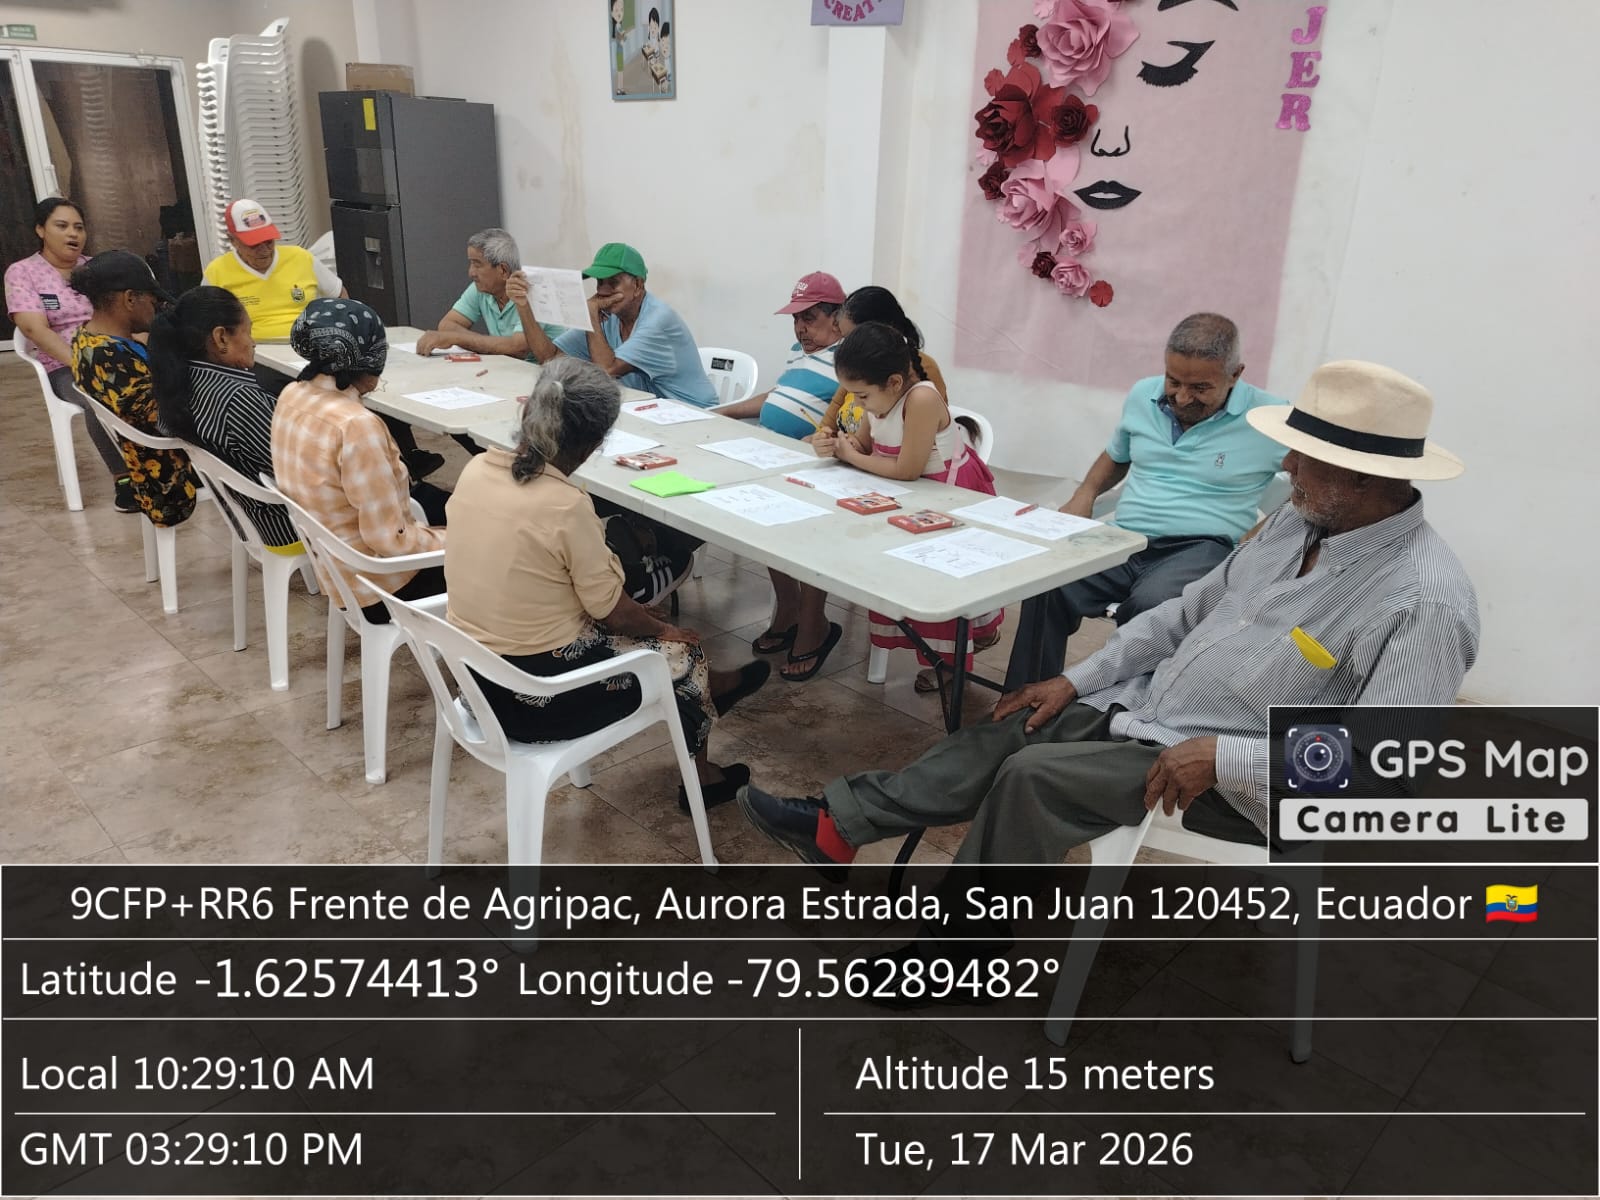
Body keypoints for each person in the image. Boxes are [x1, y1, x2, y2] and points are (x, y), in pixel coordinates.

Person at [738, 360, 1478, 998]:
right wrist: (1077, 679)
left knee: (1032, 779)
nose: (1285, 467)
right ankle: (838, 826)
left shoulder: (1424, 599)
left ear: (1363, 475)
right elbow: (1186, 612)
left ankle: (961, 956)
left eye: (1302, 457)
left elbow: (1384, 768)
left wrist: (1227, 757)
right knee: (1014, 723)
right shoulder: (1299, 523)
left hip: (1242, 781)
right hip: (1155, 713)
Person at [445, 356, 770, 810]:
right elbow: (612, 611)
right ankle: (704, 776)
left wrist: (641, 621)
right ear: (596, 442)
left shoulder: (479, 468)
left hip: (475, 679)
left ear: (528, 412)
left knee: (647, 633)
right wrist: (665, 631)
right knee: (684, 652)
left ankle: (712, 689)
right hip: (533, 702)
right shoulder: (564, 504)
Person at [1004, 313, 1289, 690]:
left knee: (1153, 607)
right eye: (1174, 381)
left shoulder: (1272, 418)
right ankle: (1025, 698)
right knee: (1047, 582)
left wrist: (1264, 530)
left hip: (1201, 546)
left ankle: (1117, 709)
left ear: (1235, 374)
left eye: (1200, 388)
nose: (1182, 397)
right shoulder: (1143, 394)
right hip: (1124, 537)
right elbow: (1117, 454)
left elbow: (1310, 481)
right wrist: (1084, 493)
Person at [810, 321, 1002, 682]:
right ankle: (944, 645)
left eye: (862, 396)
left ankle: (948, 665)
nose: (858, 404)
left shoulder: (921, 399)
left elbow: (907, 469)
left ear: (894, 382)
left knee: (936, 581)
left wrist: (851, 456)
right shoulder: (878, 399)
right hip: (908, 498)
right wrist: (835, 444)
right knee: (893, 567)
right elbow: (864, 446)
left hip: (948, 496)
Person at [204, 197, 442, 479]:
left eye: (268, 241)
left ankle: (405, 452)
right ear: (233, 241)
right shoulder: (218, 272)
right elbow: (208, 327)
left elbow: (341, 298)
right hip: (260, 354)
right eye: (254, 244)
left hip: (313, 346)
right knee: (288, 393)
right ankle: (325, 463)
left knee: (363, 375)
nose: (264, 249)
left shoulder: (300, 258)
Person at [270, 299, 447, 625]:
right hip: (382, 588)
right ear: (372, 358)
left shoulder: (292, 395)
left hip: (339, 573)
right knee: (495, 552)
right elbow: (389, 541)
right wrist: (454, 538)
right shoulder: (355, 425)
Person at [147, 286, 299, 551]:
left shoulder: (182, 385)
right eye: (247, 332)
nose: (253, 342)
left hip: (248, 519)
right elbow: (298, 472)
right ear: (220, 338)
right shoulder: (239, 399)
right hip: (285, 526)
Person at [5, 197, 132, 507]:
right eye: (61, 226)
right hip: (65, 365)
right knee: (97, 395)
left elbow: (126, 315)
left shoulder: (97, 269)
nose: (73, 234)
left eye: (78, 227)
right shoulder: (23, 273)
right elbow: (34, 329)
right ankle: (124, 478)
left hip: (114, 352)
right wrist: (82, 363)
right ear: (41, 230)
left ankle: (172, 461)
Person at [67, 251, 197, 528]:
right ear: (129, 299)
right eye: (152, 300)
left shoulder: (86, 339)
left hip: (144, 463)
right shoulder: (114, 359)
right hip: (169, 477)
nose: (156, 308)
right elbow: (173, 419)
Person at [508, 242, 717, 408]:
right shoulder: (608, 315)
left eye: (613, 283)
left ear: (637, 285)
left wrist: (591, 314)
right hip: (653, 412)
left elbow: (607, 370)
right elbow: (551, 358)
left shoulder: (658, 320)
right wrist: (523, 306)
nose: (603, 291)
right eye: (600, 282)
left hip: (696, 414)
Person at [713, 270, 846, 436]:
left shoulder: (847, 360)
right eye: (795, 319)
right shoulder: (797, 350)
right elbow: (778, 395)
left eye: (808, 318)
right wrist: (724, 412)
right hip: (763, 440)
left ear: (836, 319)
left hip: (801, 448)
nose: (799, 328)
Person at [818, 286, 951, 438]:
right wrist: (823, 437)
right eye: (845, 339)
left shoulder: (922, 373)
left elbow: (914, 443)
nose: (848, 346)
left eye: (853, 337)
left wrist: (848, 448)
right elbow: (832, 417)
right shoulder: (857, 365)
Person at [414, 227, 561, 358]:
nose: (471, 272)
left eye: (477, 265)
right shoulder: (480, 288)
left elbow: (518, 348)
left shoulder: (531, 291)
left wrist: (456, 338)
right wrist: (491, 344)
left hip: (549, 372)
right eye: (471, 264)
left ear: (503, 270)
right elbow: (447, 325)